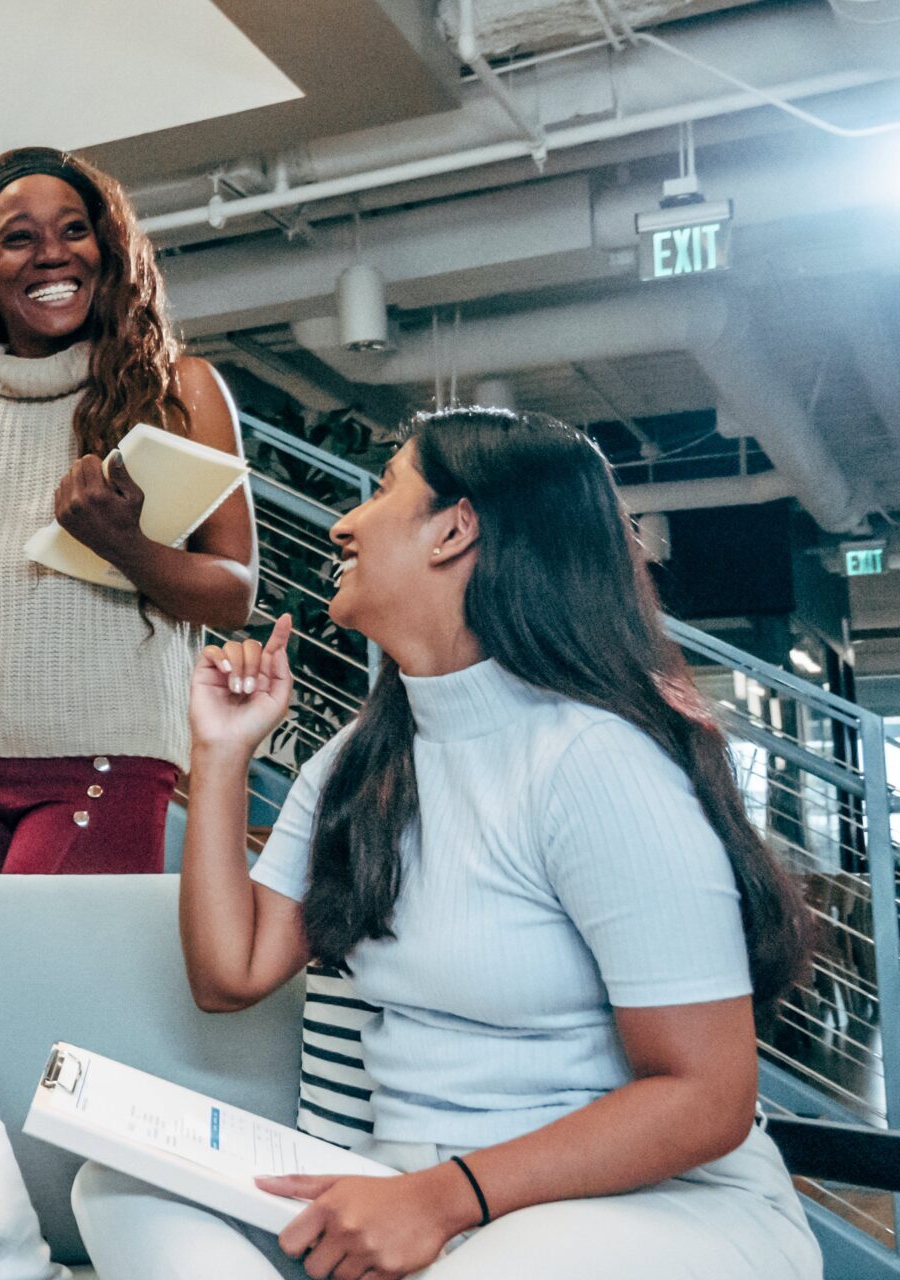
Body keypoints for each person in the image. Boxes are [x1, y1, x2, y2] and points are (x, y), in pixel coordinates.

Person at [71, 407, 820, 1280]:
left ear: (455, 530)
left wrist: (440, 1198)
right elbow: (229, 974)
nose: (343, 522)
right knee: (117, 1188)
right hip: (417, 1188)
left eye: (384, 490)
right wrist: (221, 752)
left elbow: (708, 1098)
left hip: (636, 1204)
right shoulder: (361, 760)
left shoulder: (594, 760)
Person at [0, 147, 256, 876]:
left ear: (108, 249)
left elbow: (235, 591)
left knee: (54, 987)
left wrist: (127, 546)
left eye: (74, 230)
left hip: (105, 755)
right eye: (19, 238)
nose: (51, 255)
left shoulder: (181, 391)